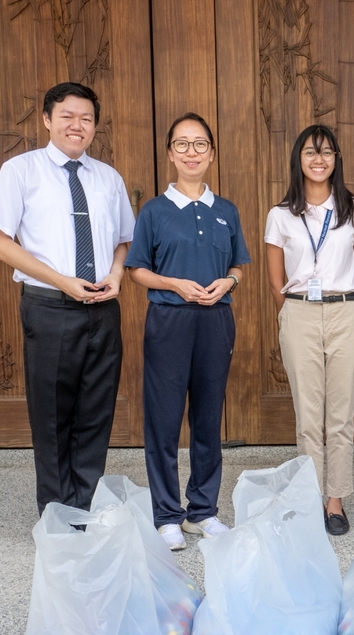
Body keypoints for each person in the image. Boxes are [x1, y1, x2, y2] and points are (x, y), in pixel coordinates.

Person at [0, 82, 135, 515]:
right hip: (50, 308)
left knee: (95, 413)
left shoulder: (108, 177)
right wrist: (61, 280)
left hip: (103, 309)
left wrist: (117, 274)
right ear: (47, 120)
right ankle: (55, 513)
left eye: (86, 118)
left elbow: (125, 239)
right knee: (51, 416)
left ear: (94, 127)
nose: (77, 125)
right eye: (67, 116)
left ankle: (84, 507)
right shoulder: (21, 170)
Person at [125, 113, 250, 551]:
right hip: (169, 321)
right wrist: (174, 283)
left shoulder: (226, 211)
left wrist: (229, 282)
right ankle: (166, 514)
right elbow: (137, 270)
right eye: (182, 144)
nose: (191, 152)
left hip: (216, 321)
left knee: (207, 418)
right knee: (163, 419)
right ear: (170, 154)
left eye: (200, 144)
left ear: (212, 153)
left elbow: (237, 264)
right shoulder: (155, 211)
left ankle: (202, 511)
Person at [264, 125, 354, 535]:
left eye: (326, 152)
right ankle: (310, 496)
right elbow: (276, 280)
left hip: (345, 311)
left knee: (340, 415)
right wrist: (296, 312)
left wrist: (337, 301)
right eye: (310, 152)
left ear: (335, 160)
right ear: (299, 159)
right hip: (299, 314)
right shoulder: (280, 215)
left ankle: (335, 501)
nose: (319, 159)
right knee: (308, 415)